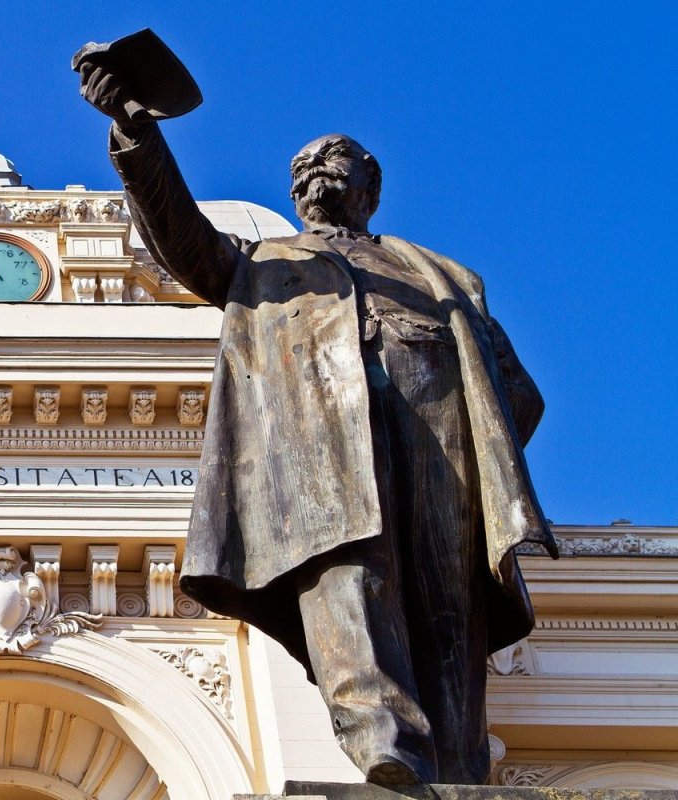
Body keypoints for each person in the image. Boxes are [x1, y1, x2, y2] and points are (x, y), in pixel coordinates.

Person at [79, 59, 558, 785]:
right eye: (301, 167)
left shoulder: (448, 275)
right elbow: (183, 238)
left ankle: (457, 766)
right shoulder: (263, 262)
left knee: (449, 603)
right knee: (347, 575)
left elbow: (516, 390)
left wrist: (479, 453)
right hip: (327, 438)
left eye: (331, 158)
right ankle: (384, 743)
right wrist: (136, 132)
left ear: (371, 181)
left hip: (439, 430)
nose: (312, 170)